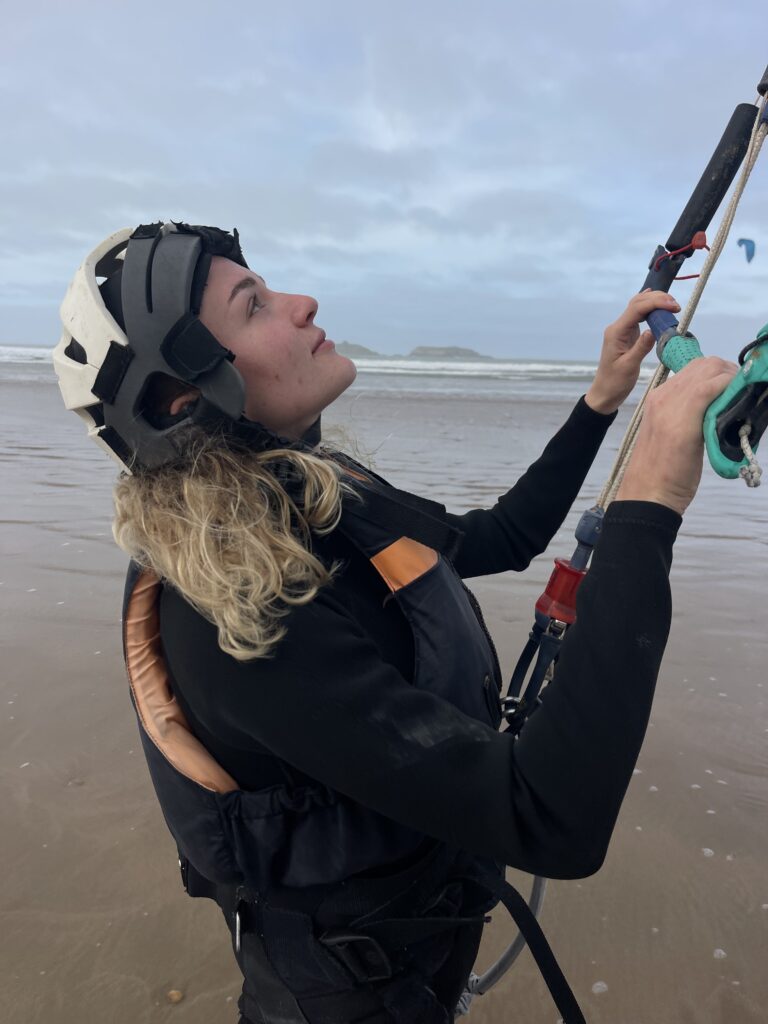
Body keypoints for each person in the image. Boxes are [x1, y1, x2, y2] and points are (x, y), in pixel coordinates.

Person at [53, 222, 737, 1024]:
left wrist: (601, 400)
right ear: (183, 398)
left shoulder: (309, 497)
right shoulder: (229, 614)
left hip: (428, 941)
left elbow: (499, 537)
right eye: (254, 305)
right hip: (348, 997)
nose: (303, 303)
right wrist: (652, 498)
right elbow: (553, 821)